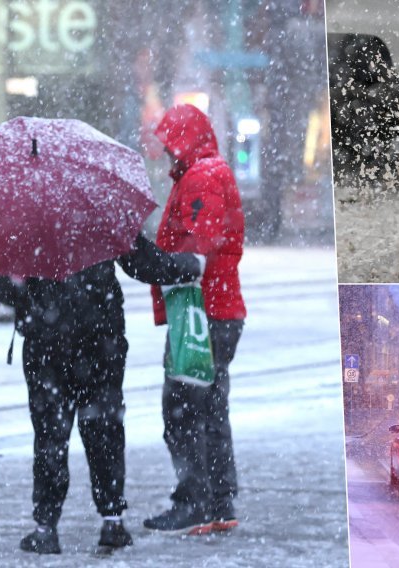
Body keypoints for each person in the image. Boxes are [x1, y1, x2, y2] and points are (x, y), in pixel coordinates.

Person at [0, 234, 204, 555]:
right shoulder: (102, 214)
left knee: (50, 436)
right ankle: (112, 520)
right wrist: (193, 264)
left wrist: (19, 288)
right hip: (101, 341)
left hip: (46, 347)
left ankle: (46, 528)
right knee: (105, 429)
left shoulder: (25, 224)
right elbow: (145, 264)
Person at [143, 103, 246, 534]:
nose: (166, 150)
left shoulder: (202, 177)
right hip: (215, 309)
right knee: (210, 408)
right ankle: (220, 501)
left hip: (199, 313)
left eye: (170, 141)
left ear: (184, 140)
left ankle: (195, 501)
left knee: (183, 411)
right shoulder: (204, 173)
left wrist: (147, 256)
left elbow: (197, 249)